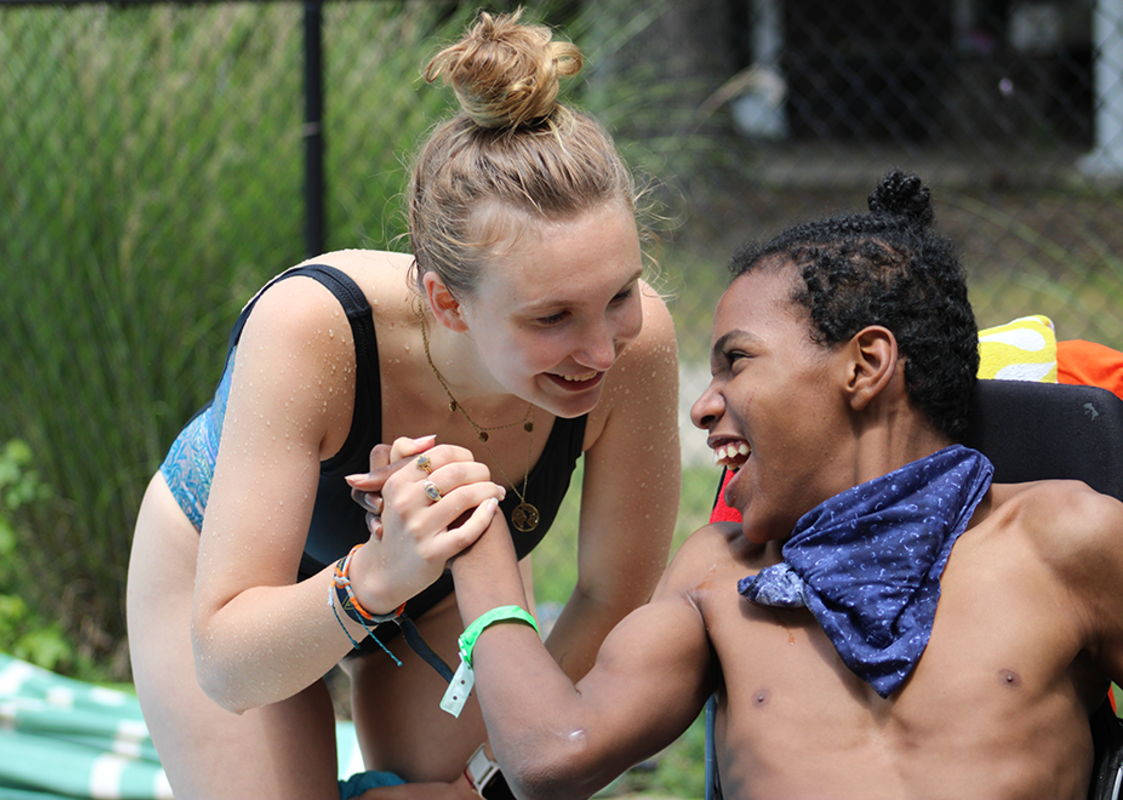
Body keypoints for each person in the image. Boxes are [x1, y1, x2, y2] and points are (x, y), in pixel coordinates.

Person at [124, 11, 680, 800]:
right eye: (553, 318)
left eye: (619, 293)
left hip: (444, 594)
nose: (600, 349)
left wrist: (484, 782)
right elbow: (227, 667)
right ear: (445, 302)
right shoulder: (311, 328)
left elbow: (610, 600)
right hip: (230, 597)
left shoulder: (638, 345)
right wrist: (379, 574)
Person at [430, 169, 1123, 800]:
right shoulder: (718, 574)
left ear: (866, 365)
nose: (704, 406)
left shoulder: (1064, 541)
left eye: (736, 361)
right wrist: (477, 537)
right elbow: (554, 756)